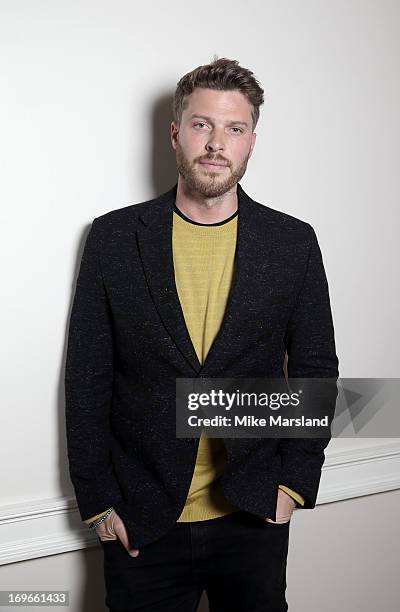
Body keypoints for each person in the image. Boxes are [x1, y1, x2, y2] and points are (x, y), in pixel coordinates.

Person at [65, 56, 339, 612]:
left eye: (234, 129)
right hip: (142, 520)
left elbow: (316, 367)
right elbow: (87, 378)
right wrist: (98, 502)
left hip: (253, 515)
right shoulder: (113, 239)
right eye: (201, 125)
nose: (216, 143)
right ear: (175, 133)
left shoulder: (293, 243)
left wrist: (292, 485)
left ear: (251, 142)